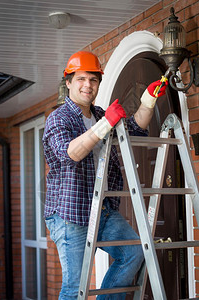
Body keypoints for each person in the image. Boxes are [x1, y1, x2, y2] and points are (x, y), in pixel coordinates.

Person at [42, 51, 168, 300]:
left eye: (93, 79)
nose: (87, 85)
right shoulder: (58, 119)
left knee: (134, 252)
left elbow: (134, 128)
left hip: (102, 210)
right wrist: (103, 126)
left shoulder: (99, 115)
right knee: (74, 286)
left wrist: (147, 101)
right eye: (81, 79)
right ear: (68, 82)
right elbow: (71, 153)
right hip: (69, 213)